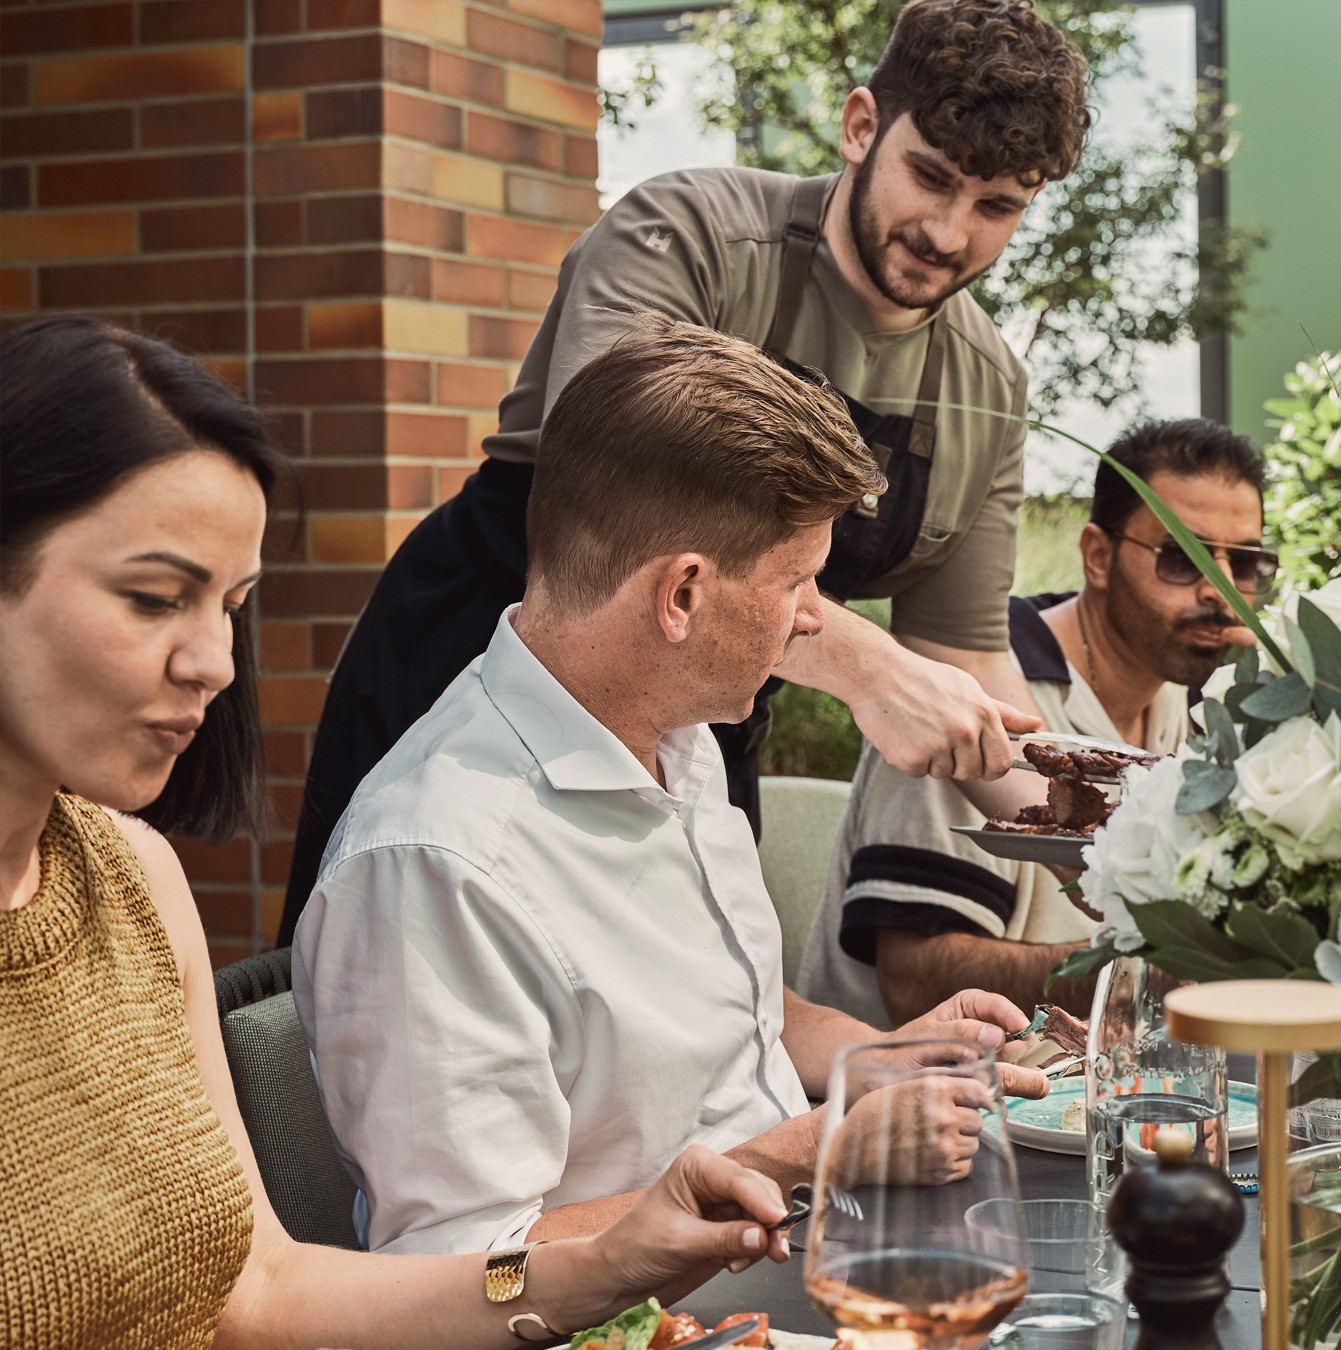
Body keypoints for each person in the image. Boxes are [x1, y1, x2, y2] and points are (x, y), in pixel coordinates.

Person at [0, 317, 795, 1350]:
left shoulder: (134, 880)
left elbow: (264, 1295)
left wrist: (604, 1263)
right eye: (155, 599)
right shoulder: (439, 839)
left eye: (231, 608)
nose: (214, 664)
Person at [277, 0, 1094, 945]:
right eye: (931, 178)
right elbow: (626, 510)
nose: (950, 233)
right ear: (862, 125)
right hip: (479, 680)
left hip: (699, 732)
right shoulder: (688, 237)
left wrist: (1094, 838)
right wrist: (866, 664)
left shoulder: (987, 385)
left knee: (702, 1033)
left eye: (997, 207)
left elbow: (966, 660)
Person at [293, 315, 1048, 1258]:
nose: (816, 620)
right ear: (682, 595)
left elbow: (734, 1018)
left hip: (795, 1267)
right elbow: (464, 1270)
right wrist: (821, 1150)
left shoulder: (678, 740)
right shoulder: (437, 864)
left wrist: (873, 1061)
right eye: (799, 583)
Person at [797, 418, 1272, 1028]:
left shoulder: (1187, 703)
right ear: (1097, 556)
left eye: (1248, 563)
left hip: (1081, 1095)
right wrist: (1150, 971)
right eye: (1183, 558)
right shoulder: (970, 697)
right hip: (918, 1097)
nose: (1223, 590)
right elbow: (913, 981)